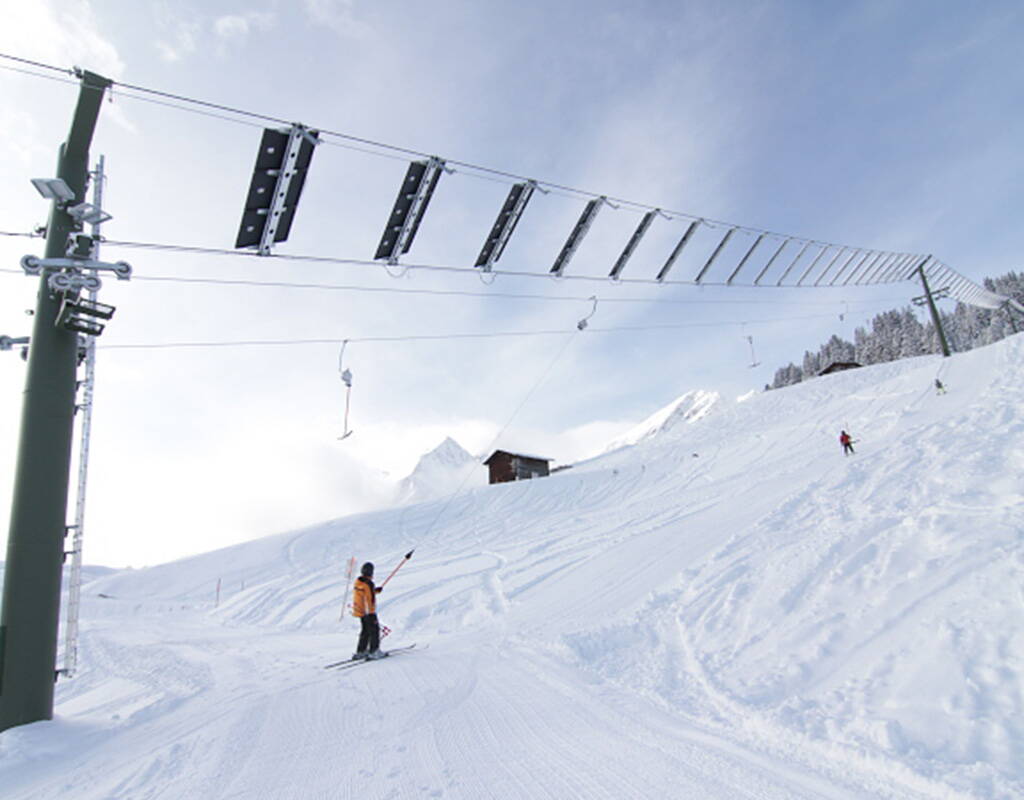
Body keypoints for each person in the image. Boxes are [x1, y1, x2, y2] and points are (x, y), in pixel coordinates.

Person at [352, 562, 384, 660]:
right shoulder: (368, 583)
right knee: (374, 631)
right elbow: (370, 599)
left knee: (365, 631)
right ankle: (374, 651)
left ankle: (361, 651)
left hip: (360, 611)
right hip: (368, 611)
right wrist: (371, 613)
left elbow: (365, 593)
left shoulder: (359, 582)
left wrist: (374, 591)